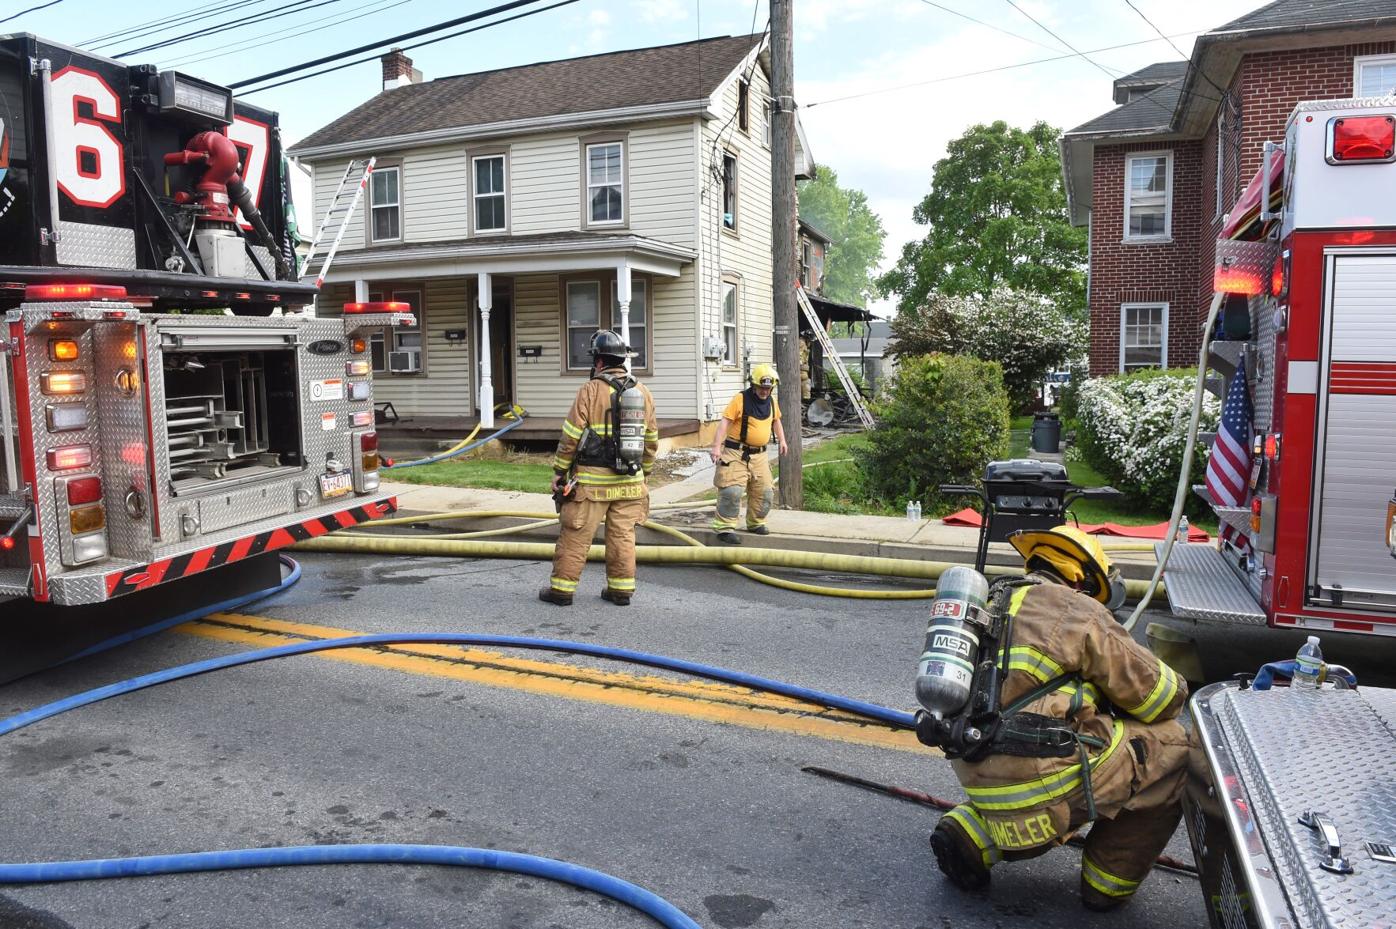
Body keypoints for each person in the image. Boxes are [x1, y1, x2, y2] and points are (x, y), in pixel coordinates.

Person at [929, 526, 1190, 913]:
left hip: (976, 770)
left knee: (1069, 748)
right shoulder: (1075, 609)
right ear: (1083, 580)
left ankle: (973, 831)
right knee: (1176, 749)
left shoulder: (995, 599)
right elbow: (1160, 700)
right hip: (1040, 776)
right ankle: (1107, 883)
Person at [539, 330, 658, 607]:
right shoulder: (643, 392)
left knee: (575, 536)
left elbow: (571, 436)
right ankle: (620, 591)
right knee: (623, 537)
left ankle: (562, 591)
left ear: (599, 362)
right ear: (622, 360)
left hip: (593, 484)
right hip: (631, 483)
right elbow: (651, 440)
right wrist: (645, 474)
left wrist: (560, 472)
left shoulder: (590, 390)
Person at [708, 364, 789, 545]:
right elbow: (724, 423)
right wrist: (716, 447)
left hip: (759, 456)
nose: (764, 392)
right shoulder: (740, 400)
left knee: (765, 491)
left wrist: (782, 440)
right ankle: (724, 528)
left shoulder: (772, 402)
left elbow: (776, 421)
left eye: (768, 388)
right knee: (732, 491)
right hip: (736, 453)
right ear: (754, 385)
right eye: (761, 388)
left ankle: (755, 523)